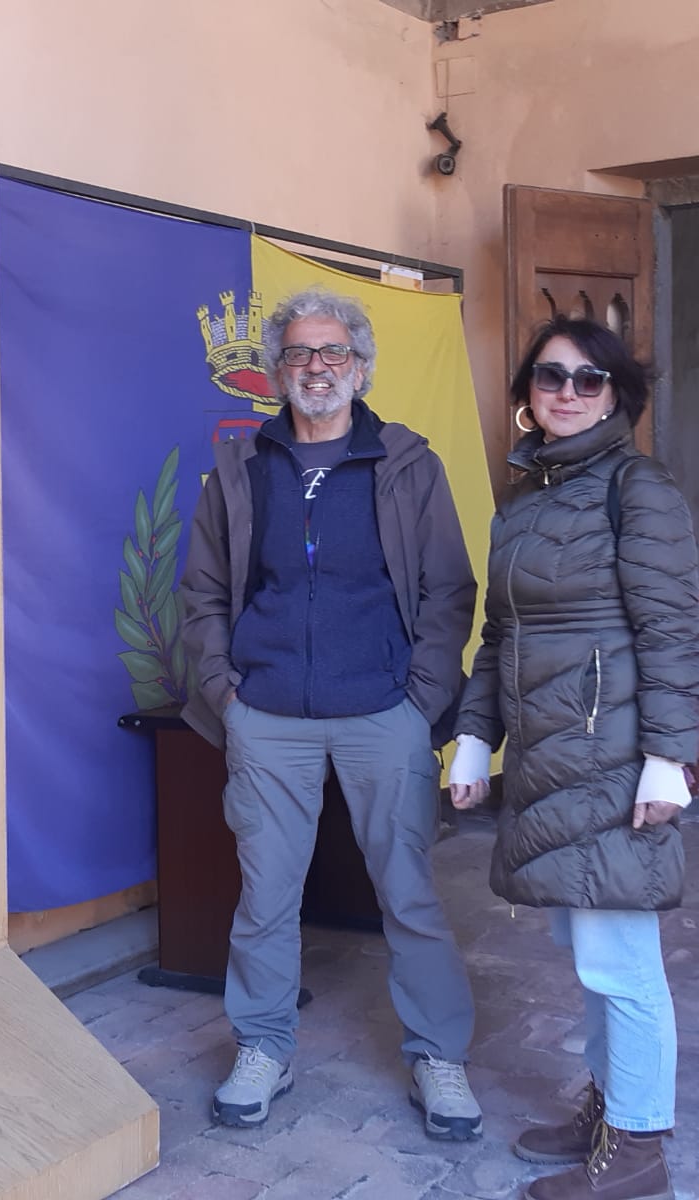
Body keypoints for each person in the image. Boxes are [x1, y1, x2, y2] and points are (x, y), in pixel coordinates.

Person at [178, 286, 483, 1140]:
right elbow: (203, 591)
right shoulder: (240, 468)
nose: (317, 367)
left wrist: (420, 698)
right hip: (267, 713)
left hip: (382, 712)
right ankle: (263, 1047)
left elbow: (448, 590)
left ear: (360, 366)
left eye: (333, 351)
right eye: (299, 353)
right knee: (265, 899)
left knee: (409, 896)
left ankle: (438, 1056)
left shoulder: (405, 463)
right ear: (277, 371)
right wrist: (227, 692)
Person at [447, 315, 699, 1200]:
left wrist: (667, 757)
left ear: (616, 395)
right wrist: (472, 738)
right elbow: (500, 636)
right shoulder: (524, 500)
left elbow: (670, 631)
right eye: (549, 376)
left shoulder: (638, 487)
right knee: (589, 950)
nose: (566, 392)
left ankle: (638, 1149)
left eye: (587, 379)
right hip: (549, 759)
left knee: (620, 958)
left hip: (611, 755)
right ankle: (611, 1107)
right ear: (526, 391)